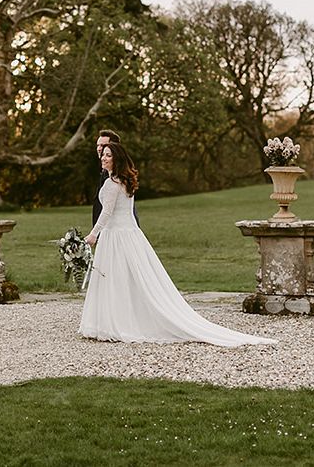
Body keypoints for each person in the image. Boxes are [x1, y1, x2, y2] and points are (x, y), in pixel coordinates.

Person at [79, 141, 276, 347]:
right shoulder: (124, 180)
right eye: (103, 154)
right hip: (130, 235)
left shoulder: (112, 184)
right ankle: (120, 320)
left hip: (117, 237)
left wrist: (93, 235)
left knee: (117, 279)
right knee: (128, 279)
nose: (103, 158)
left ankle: (115, 323)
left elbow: (107, 212)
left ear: (117, 159)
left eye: (108, 155)